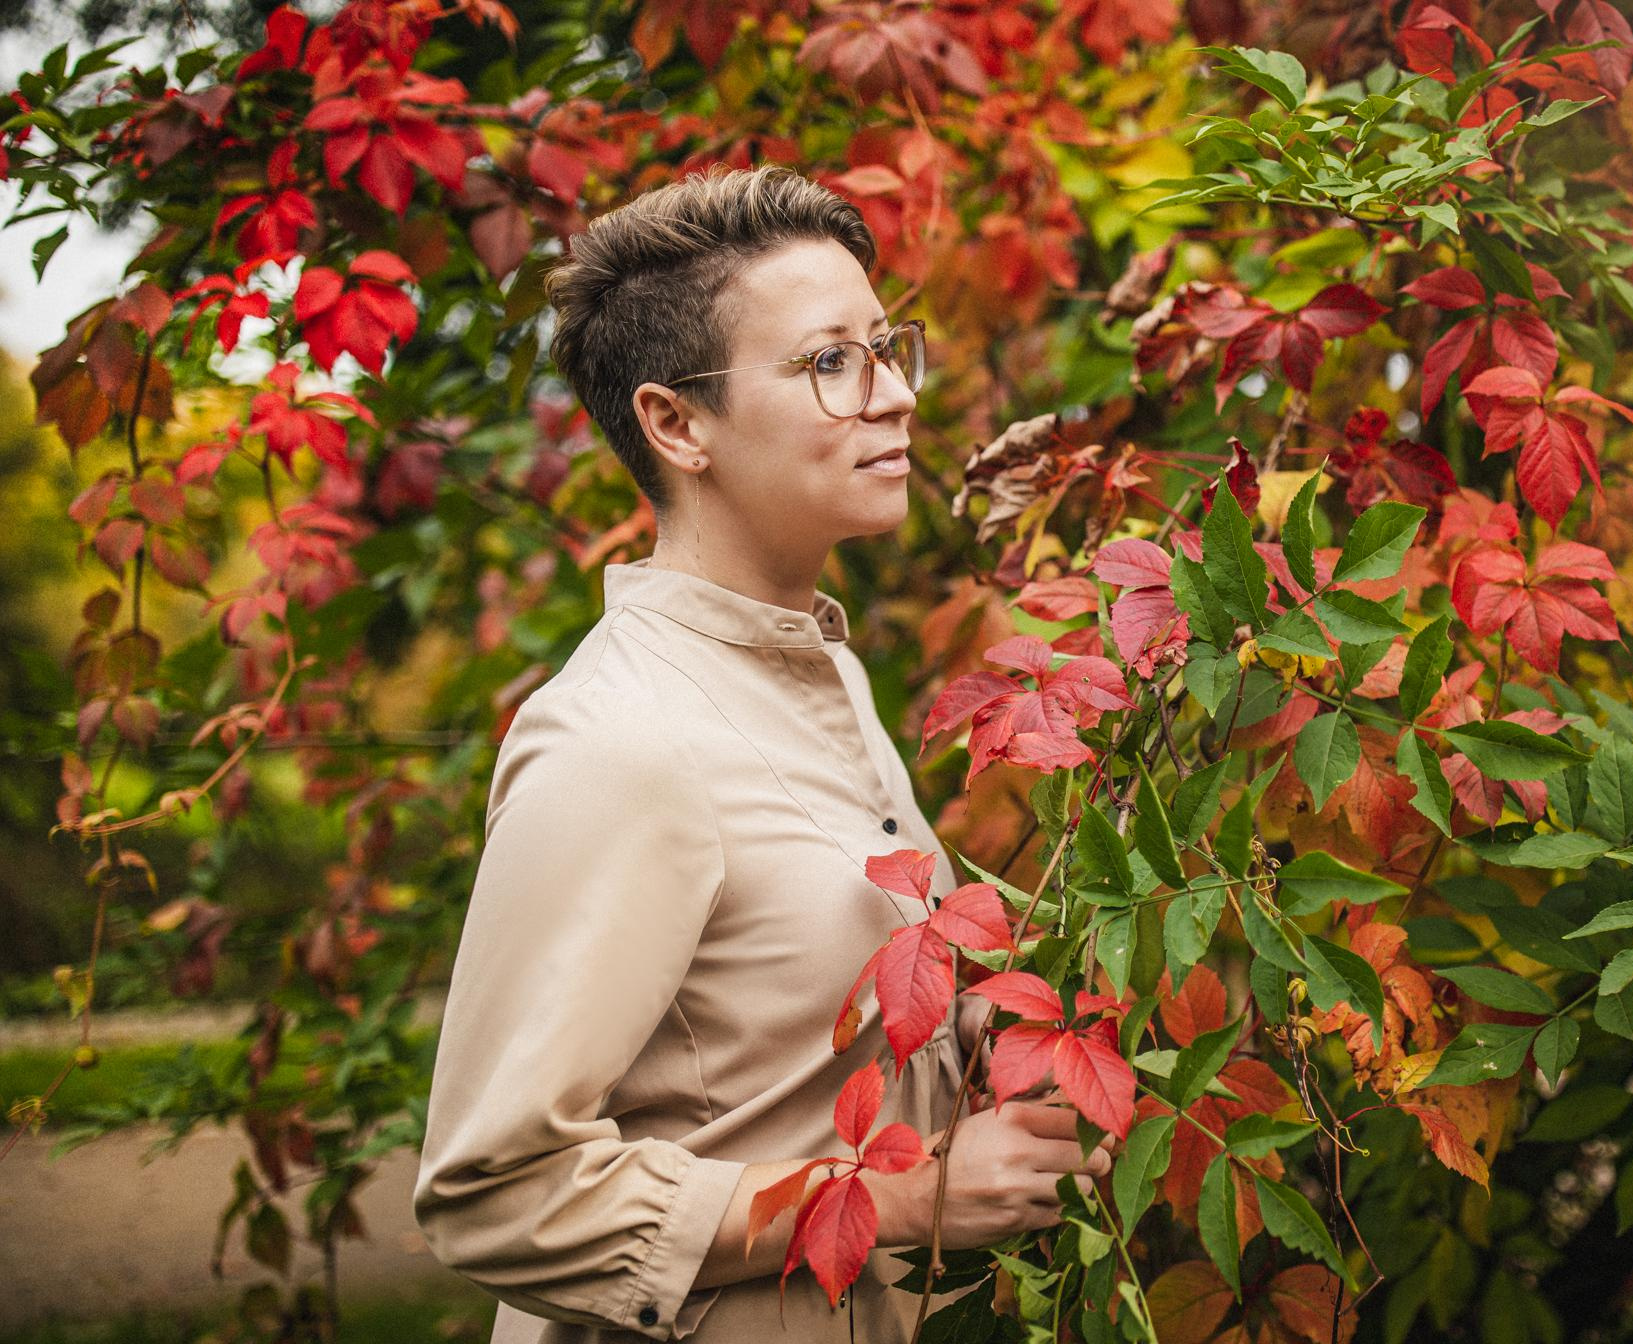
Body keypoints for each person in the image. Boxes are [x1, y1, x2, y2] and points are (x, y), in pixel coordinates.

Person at [411, 164, 1111, 1344]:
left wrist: (1007, 1029)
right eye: (830, 362)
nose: (892, 395)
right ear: (677, 424)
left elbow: (809, 1003)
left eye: (889, 349)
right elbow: (495, 1190)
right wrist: (900, 1198)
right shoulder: (618, 742)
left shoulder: (816, 665)